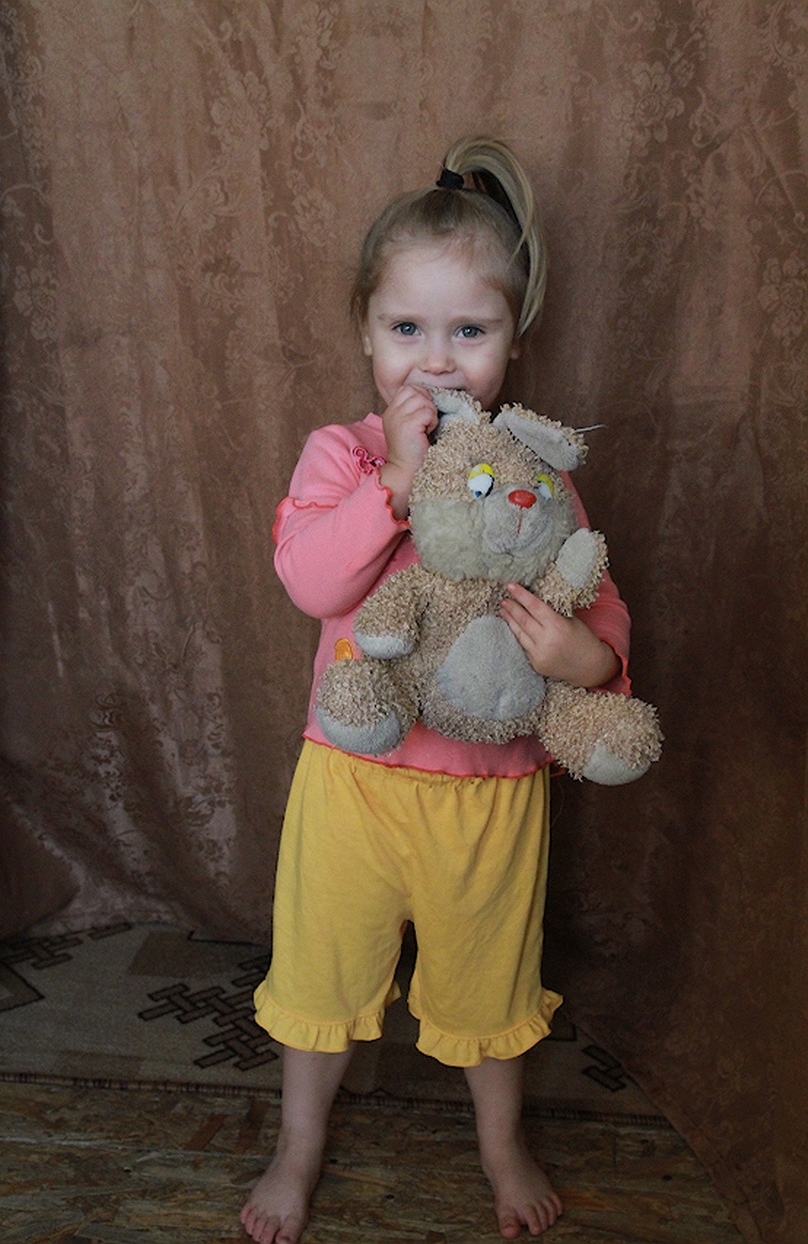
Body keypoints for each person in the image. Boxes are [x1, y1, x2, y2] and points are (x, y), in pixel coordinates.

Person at [240, 136, 632, 1243]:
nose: (437, 361)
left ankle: (500, 1144)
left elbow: (597, 599)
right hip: (353, 781)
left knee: (486, 987)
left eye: (470, 330)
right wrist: (399, 488)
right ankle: (299, 1141)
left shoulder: (538, 473)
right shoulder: (344, 456)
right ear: (365, 334)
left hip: (490, 792)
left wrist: (587, 659)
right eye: (406, 329)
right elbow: (312, 581)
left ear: (513, 340)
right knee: (322, 970)